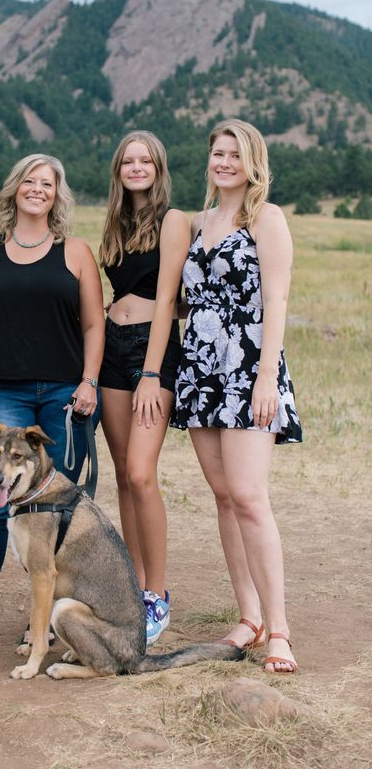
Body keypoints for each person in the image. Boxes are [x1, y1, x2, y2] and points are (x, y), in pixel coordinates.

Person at [0, 154, 104, 664]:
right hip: (4, 394)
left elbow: (93, 326)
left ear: (58, 195)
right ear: (14, 189)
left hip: (63, 395)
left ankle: (37, 623)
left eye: (48, 184)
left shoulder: (77, 252)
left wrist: (89, 382)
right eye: (29, 182)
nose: (38, 190)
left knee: (53, 512)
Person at [171, 119, 302, 674]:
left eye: (234, 154)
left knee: (249, 496)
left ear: (253, 162)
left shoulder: (265, 219)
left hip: (247, 368)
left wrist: (266, 376)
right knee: (223, 496)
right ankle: (247, 618)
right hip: (200, 368)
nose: (223, 162)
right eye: (217, 153)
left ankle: (279, 630)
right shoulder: (199, 222)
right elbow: (179, 299)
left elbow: (276, 300)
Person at [98, 131, 190, 646]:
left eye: (145, 160)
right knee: (121, 474)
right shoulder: (116, 222)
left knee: (142, 472)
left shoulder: (174, 220)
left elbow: (172, 297)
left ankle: (157, 593)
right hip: (112, 345)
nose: (136, 167)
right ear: (119, 169)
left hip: (152, 353)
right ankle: (133, 585)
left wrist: (153, 373)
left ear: (158, 167)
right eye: (128, 161)